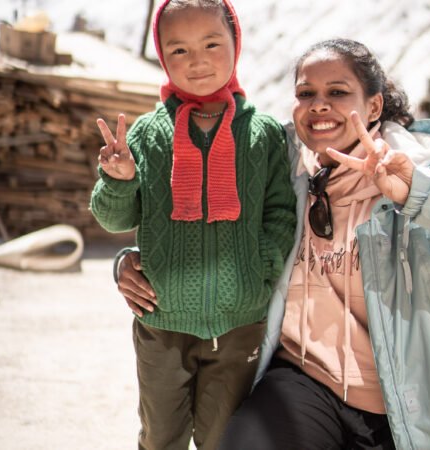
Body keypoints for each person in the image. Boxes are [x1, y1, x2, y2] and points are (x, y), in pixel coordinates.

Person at [114, 38, 430, 450]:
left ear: (373, 108)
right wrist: (130, 263)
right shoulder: (285, 174)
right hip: (305, 383)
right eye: (305, 93)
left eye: (337, 92)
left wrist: (422, 195)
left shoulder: (426, 174)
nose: (319, 105)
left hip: (407, 403)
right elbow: (197, 226)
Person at [89, 1, 297, 449]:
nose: (197, 60)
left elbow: (280, 213)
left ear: (235, 44)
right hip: (161, 321)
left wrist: (259, 271)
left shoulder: (262, 134)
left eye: (211, 44)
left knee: (224, 438)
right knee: (161, 436)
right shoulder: (146, 134)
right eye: (178, 50)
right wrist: (118, 179)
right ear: (162, 56)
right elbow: (113, 218)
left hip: (239, 323)